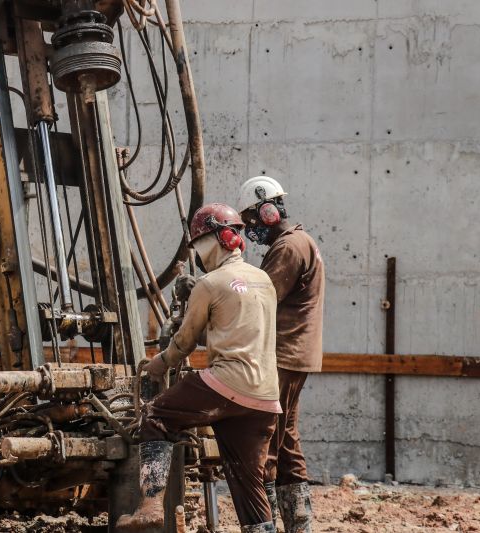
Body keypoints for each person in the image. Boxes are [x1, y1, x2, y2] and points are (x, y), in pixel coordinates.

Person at [117, 203, 281, 533]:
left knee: (156, 416)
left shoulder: (210, 283)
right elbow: (235, 328)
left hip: (227, 383)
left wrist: (157, 366)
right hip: (265, 398)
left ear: (212, 241)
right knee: (248, 483)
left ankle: (149, 507)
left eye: (198, 246)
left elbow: (184, 342)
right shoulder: (264, 280)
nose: (198, 254)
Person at [238, 176, 325, 533]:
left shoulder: (288, 247)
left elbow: (261, 298)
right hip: (296, 353)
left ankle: (264, 525)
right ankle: (299, 525)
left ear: (268, 211)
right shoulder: (302, 241)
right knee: (287, 441)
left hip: (283, 354)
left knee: (267, 443)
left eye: (251, 219)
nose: (249, 229)